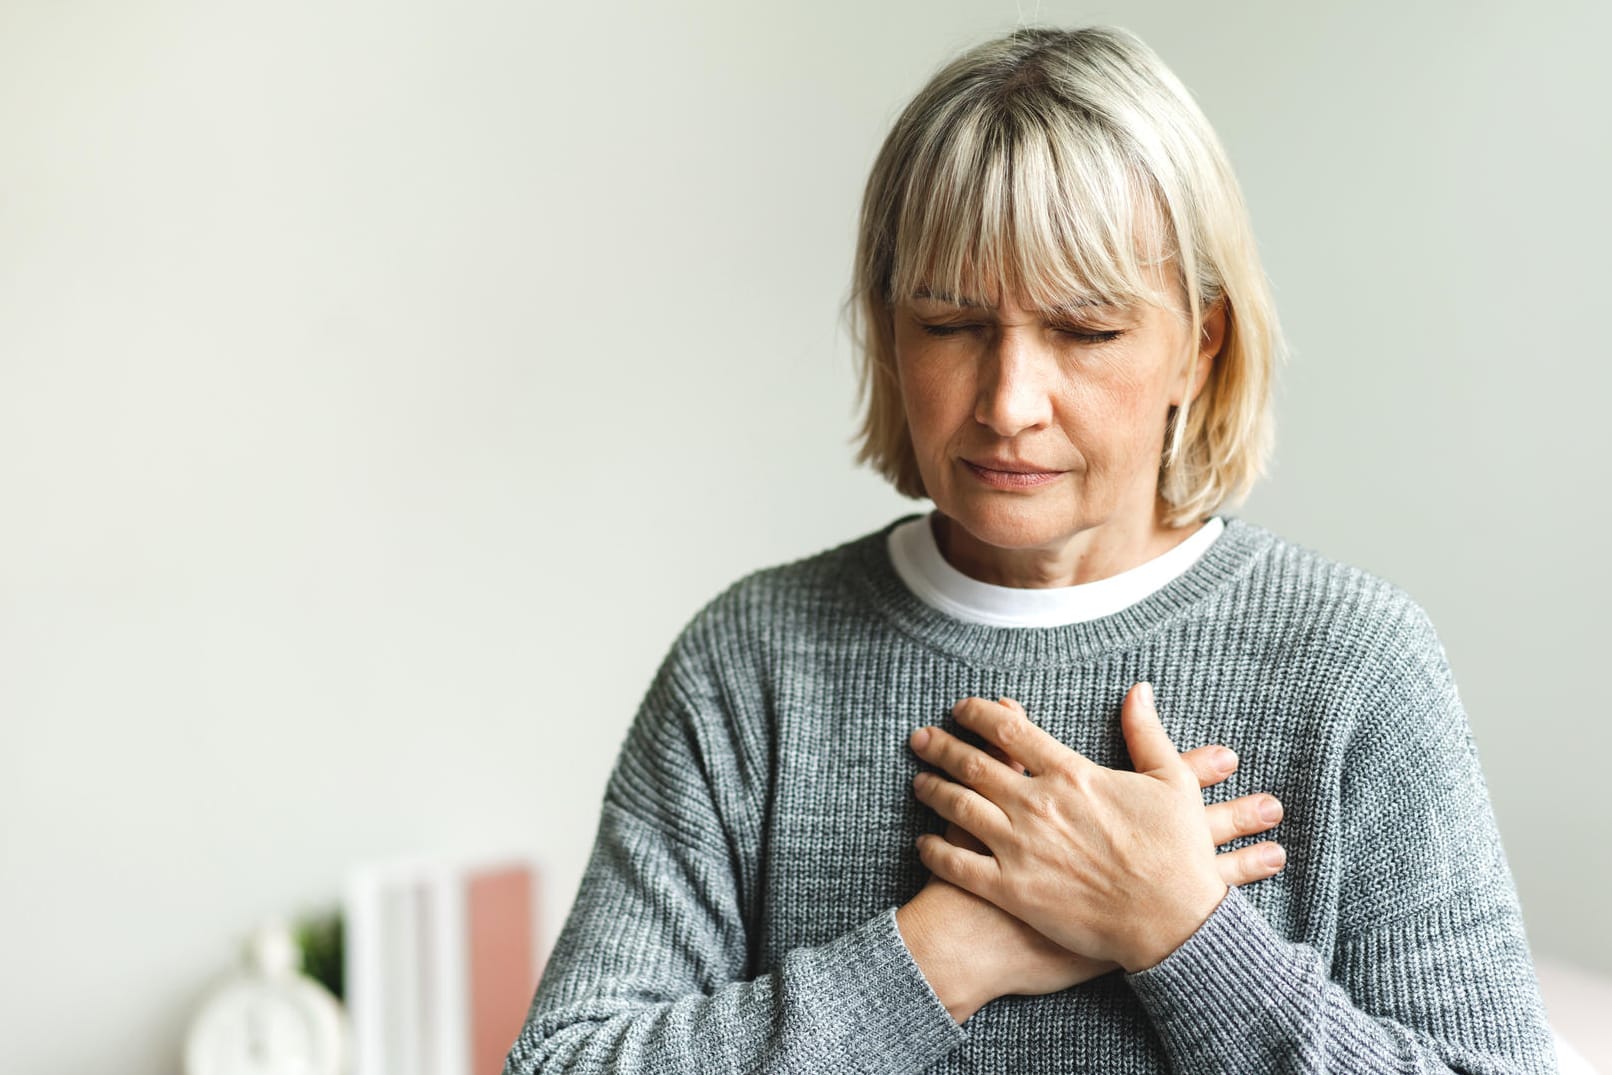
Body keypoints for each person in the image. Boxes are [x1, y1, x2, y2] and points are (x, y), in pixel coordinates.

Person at [503, 25, 1555, 1074]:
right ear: (887, 330)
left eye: (1085, 332)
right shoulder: (753, 661)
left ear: (1201, 341)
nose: (1008, 405)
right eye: (952, 323)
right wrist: (943, 954)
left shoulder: (1354, 663)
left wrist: (1182, 935)